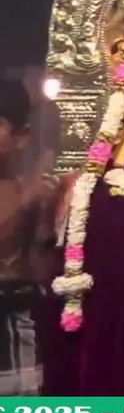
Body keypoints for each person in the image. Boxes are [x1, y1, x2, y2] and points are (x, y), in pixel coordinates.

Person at [0, 79, 59, 396]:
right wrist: (26, 203)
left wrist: (46, 213)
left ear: (21, 137)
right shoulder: (26, 194)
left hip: (17, 328)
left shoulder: (26, 189)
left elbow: (38, 269)